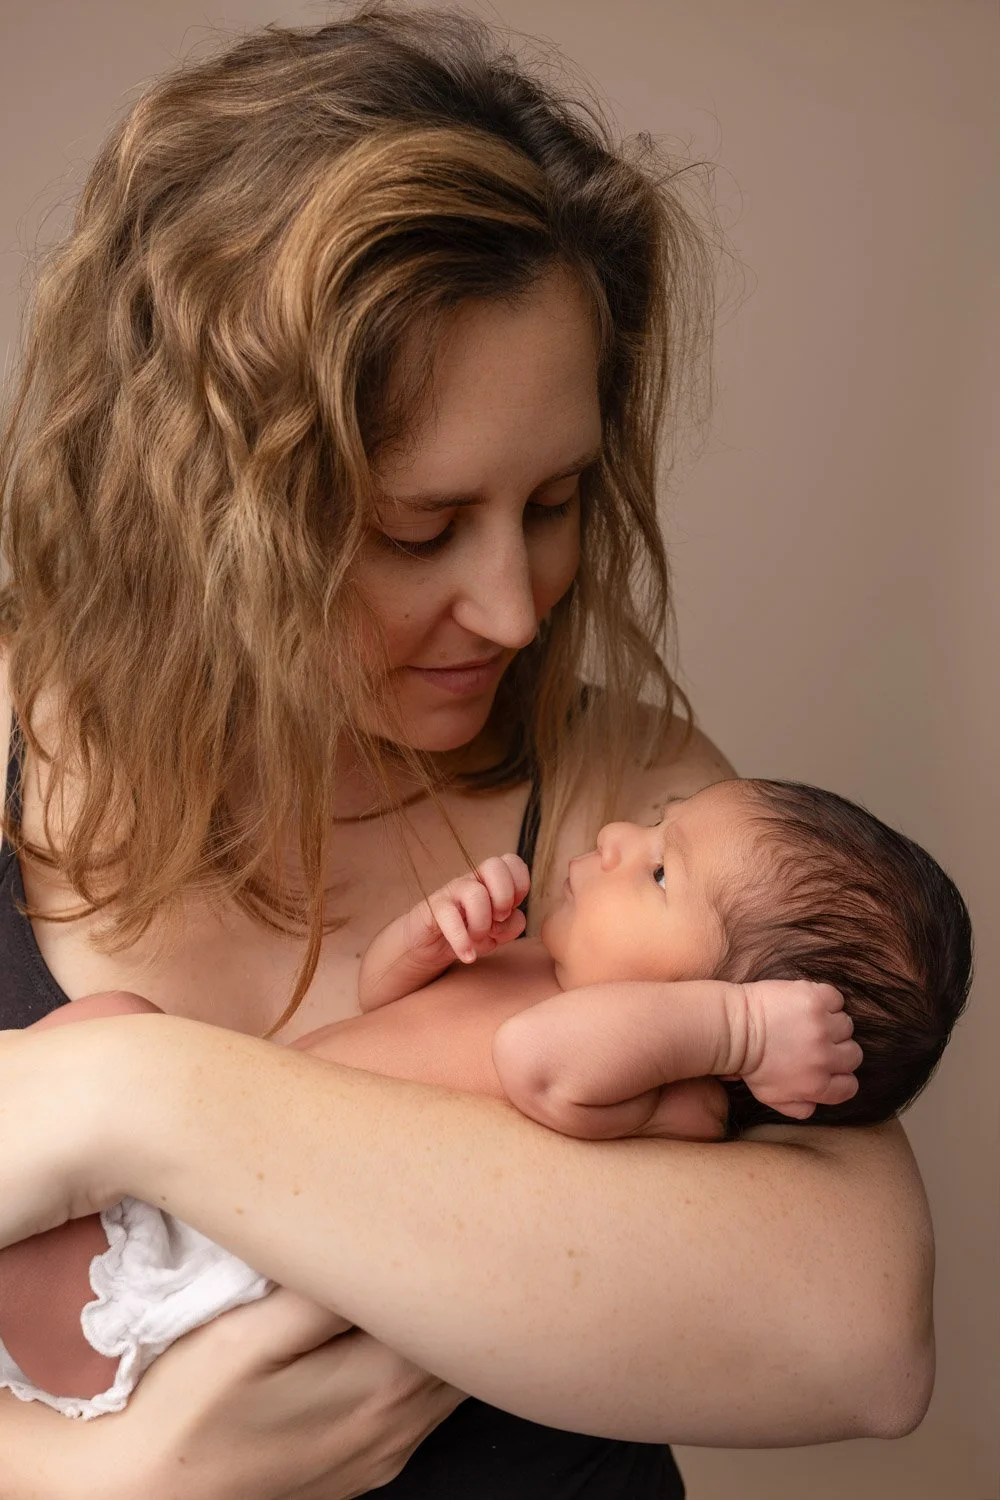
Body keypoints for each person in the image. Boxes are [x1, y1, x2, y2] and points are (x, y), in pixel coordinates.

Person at [0, 9, 937, 1498]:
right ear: (196, 511)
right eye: (418, 528)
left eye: (555, 504)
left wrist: (137, 1099)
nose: (513, 607)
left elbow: (861, 1338)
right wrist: (76, 1484)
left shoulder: (635, 800)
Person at [0, 775, 972, 1423]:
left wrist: (736, 1035)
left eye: (660, 873)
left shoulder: (670, 1092)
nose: (618, 838)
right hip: (198, 1193)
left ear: (722, 1009)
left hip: (211, 1273)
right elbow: (380, 1011)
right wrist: (429, 939)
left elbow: (535, 1064)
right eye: (659, 822)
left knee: (108, 1043)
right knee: (116, 1024)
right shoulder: (549, 965)